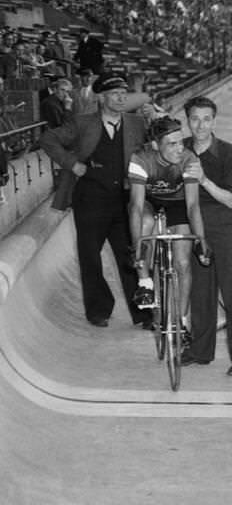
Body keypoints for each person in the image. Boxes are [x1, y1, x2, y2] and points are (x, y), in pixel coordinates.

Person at [39, 74, 150, 327]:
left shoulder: (136, 123)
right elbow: (48, 139)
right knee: (90, 255)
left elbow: (159, 138)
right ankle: (99, 310)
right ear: (101, 98)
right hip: (89, 199)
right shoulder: (82, 123)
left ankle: (143, 312)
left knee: (130, 254)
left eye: (124, 93)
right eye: (115, 94)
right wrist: (72, 164)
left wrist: (154, 113)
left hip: (124, 200)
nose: (122, 98)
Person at [182, 96, 232, 376]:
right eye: (194, 119)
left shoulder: (229, 153)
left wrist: (203, 180)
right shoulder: (181, 150)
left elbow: (231, 199)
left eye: (206, 119)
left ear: (214, 121)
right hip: (195, 228)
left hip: (227, 230)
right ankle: (200, 351)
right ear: (187, 120)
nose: (200, 125)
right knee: (201, 292)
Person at [127, 116, 208, 342]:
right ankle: (145, 283)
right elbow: (135, 206)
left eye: (181, 142)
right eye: (172, 144)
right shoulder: (140, 159)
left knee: (182, 262)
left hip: (178, 203)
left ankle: (181, 321)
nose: (179, 148)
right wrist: (137, 249)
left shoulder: (190, 159)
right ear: (155, 145)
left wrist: (201, 240)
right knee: (146, 222)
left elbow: (192, 206)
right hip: (149, 201)